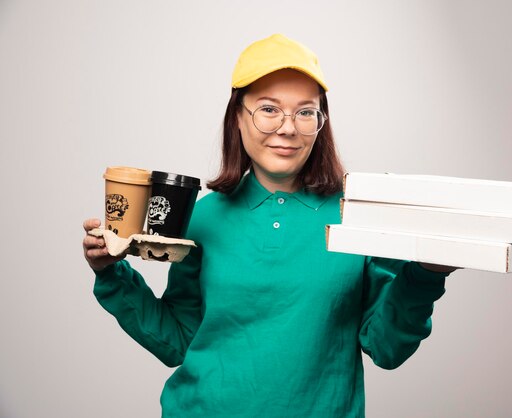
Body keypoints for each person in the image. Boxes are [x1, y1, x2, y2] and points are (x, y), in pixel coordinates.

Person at [82, 33, 456, 418]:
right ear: (238, 118)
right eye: (268, 109)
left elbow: (387, 347)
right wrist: (111, 274)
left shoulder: (357, 218)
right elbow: (179, 340)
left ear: (320, 123)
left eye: (305, 112)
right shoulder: (201, 218)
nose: (288, 128)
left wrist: (426, 273)